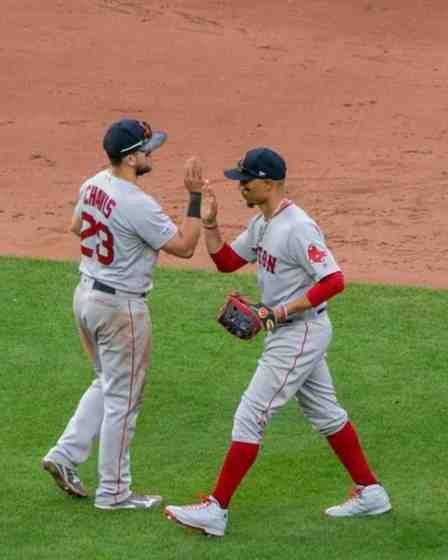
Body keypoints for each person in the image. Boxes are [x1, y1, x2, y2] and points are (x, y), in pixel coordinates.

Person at [164, 147, 390, 537]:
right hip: (290, 331)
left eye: (246, 181)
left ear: (268, 183)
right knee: (326, 413)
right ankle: (372, 492)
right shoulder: (263, 223)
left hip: (299, 332)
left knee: (251, 413)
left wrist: (278, 312)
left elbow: (334, 280)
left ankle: (216, 510)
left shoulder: (297, 227)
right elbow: (227, 263)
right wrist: (212, 224)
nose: (241, 187)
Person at [42, 118, 205, 509]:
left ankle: (64, 455)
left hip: (86, 296)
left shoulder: (93, 183)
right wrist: (195, 198)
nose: (153, 154)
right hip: (120, 309)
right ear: (131, 158)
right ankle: (114, 492)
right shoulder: (138, 204)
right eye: (148, 150)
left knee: (106, 381)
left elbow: (75, 227)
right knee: (124, 399)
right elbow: (183, 247)